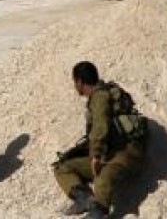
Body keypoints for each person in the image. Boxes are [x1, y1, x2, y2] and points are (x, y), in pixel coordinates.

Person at [53, 61, 147, 219]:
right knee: (63, 167)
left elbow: (100, 127)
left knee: (103, 177)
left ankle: (98, 212)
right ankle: (84, 199)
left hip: (125, 152)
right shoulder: (105, 92)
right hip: (113, 151)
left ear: (79, 81)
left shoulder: (100, 98)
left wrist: (95, 155)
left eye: (74, 82)